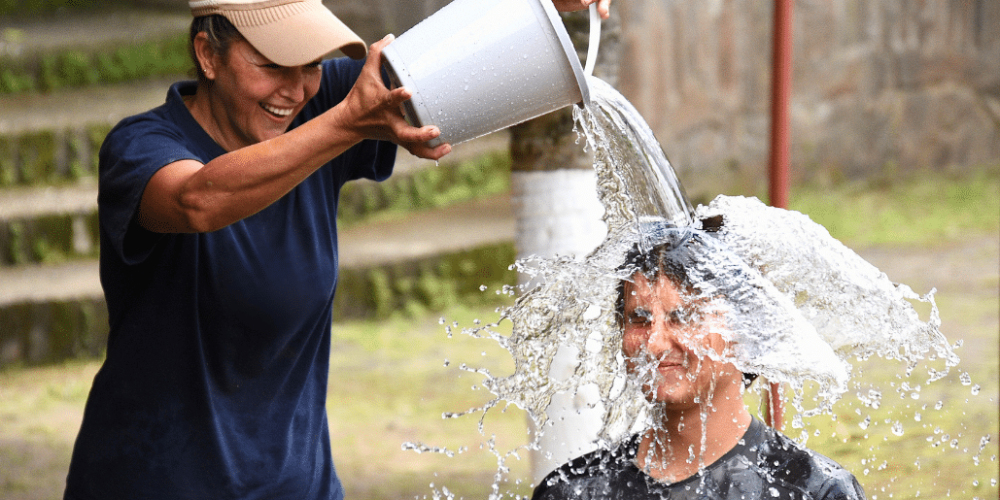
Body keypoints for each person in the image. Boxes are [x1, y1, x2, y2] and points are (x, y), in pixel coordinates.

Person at [63, 0, 609, 499]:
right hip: (154, 482)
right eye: (272, 65)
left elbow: (455, 53)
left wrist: (544, 7)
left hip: (298, 485)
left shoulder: (319, 105)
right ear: (208, 54)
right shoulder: (140, 148)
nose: (296, 90)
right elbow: (197, 199)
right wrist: (345, 124)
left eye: (312, 64)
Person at [531, 225, 867, 500]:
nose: (655, 342)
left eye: (684, 317)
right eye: (639, 318)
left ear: (747, 332)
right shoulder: (574, 491)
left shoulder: (812, 490)